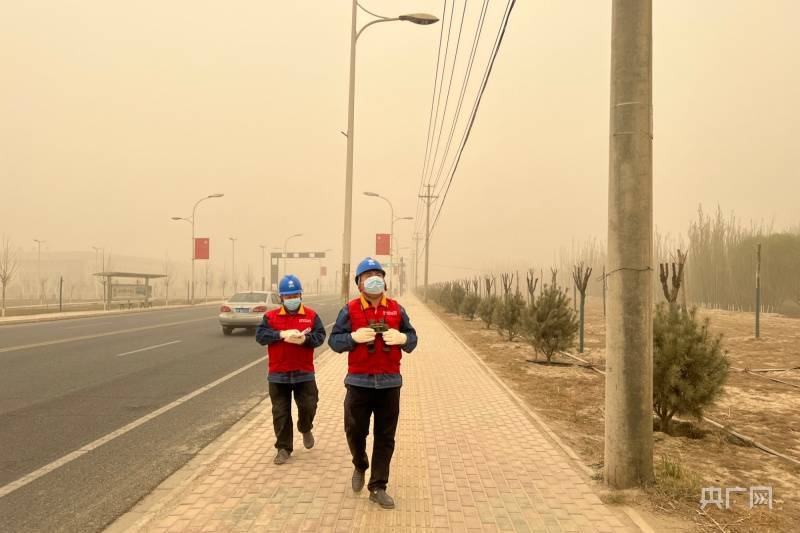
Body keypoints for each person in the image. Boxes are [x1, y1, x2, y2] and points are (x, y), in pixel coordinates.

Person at [328, 257, 418, 509]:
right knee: (354, 431)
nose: (374, 279)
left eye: (378, 274)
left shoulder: (397, 309)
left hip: (390, 382)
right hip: (359, 381)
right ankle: (359, 463)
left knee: (385, 436)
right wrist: (353, 338)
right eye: (368, 276)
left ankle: (378, 486)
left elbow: (412, 339)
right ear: (359, 283)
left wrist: (402, 338)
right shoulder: (350, 309)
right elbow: (334, 341)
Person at [256, 274, 326, 465]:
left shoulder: (311, 316)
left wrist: (305, 340)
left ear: (301, 295)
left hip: (304, 372)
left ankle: (305, 427)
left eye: (295, 295)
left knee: (309, 405)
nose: (291, 299)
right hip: (278, 374)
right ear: (281, 298)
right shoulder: (270, 317)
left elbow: (320, 336)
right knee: (280, 412)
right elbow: (261, 336)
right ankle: (283, 448)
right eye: (287, 296)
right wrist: (280, 334)